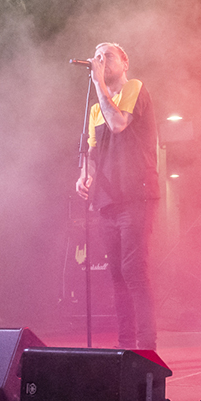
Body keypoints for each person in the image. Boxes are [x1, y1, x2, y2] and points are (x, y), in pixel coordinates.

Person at [76, 43, 160, 351]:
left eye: (107, 55)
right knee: (116, 275)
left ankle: (147, 348)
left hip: (137, 195)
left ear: (125, 62)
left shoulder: (134, 88)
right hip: (107, 201)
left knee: (133, 270)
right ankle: (126, 346)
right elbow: (92, 153)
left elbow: (118, 124)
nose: (101, 60)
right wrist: (84, 175)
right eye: (97, 56)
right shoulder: (95, 109)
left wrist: (98, 81)